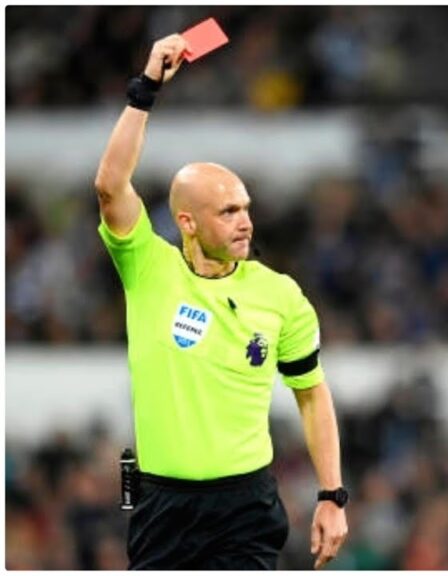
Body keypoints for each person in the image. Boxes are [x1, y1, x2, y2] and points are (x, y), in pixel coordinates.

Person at [94, 35, 348, 569]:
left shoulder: (280, 294)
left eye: (245, 208)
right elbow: (111, 185)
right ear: (187, 222)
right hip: (159, 502)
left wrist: (332, 495)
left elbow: (311, 393)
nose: (245, 222)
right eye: (228, 211)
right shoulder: (148, 266)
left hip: (245, 505)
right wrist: (145, 90)